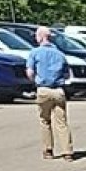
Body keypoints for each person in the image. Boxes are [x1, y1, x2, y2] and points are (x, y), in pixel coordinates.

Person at [24, 27, 73, 161]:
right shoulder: (60, 54)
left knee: (45, 120)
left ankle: (48, 150)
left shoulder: (35, 53)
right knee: (62, 122)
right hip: (58, 90)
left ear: (41, 37)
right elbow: (67, 74)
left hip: (43, 89)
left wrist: (35, 81)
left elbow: (30, 72)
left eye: (36, 36)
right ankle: (67, 152)